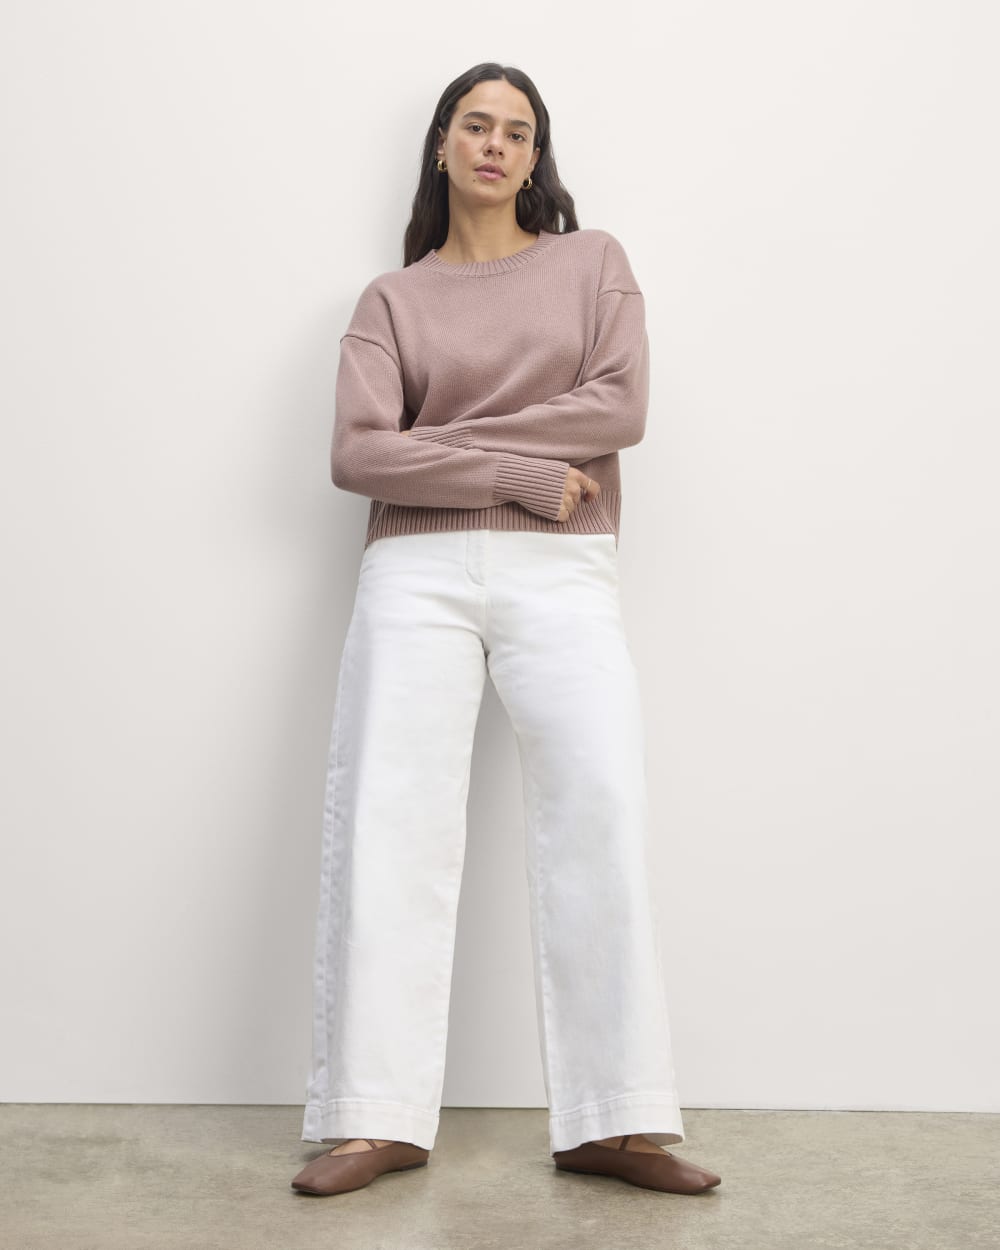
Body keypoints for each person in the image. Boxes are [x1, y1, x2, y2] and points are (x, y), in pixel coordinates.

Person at [290, 62, 722, 1199]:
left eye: (517, 131)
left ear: (536, 157)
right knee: (390, 815)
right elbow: (356, 453)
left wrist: (439, 443)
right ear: (441, 143)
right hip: (414, 572)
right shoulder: (392, 300)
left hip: (563, 568)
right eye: (475, 125)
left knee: (600, 804)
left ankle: (614, 1122)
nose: (494, 144)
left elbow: (619, 407)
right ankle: (372, 1116)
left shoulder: (593, 264)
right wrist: (518, 471)